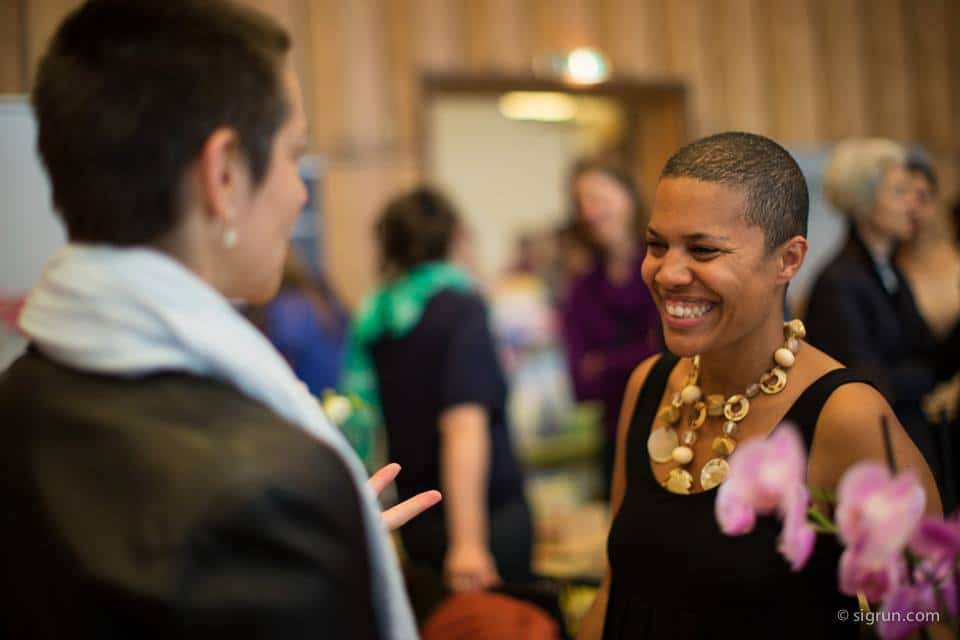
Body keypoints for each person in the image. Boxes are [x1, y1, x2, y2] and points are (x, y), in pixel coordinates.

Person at [0, 2, 440, 638]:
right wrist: (309, 536)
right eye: (295, 155)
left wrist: (330, 545)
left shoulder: (21, 397)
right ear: (225, 173)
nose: (301, 190)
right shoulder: (268, 489)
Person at [576, 132, 940, 640]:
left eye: (703, 249)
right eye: (657, 244)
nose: (668, 273)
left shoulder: (845, 416)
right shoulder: (650, 384)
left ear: (788, 260)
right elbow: (617, 590)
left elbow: (926, 615)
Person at [342, 187, 533, 593]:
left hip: (418, 520)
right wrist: (468, 544)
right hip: (480, 520)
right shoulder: (459, 307)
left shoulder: (378, 318)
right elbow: (463, 424)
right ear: (454, 236)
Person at [804, 139, 955, 503]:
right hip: (877, 461)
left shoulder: (889, 272)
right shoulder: (839, 282)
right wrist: (922, 375)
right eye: (899, 192)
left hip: (912, 440)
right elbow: (868, 385)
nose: (913, 204)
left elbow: (929, 356)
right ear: (864, 203)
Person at [561, 158, 661, 498]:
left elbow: (672, 356)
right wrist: (640, 353)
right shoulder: (582, 288)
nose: (590, 211)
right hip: (615, 438)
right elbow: (580, 386)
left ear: (629, 198)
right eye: (582, 202)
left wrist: (605, 363)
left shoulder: (663, 272)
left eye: (599, 198)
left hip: (672, 428)